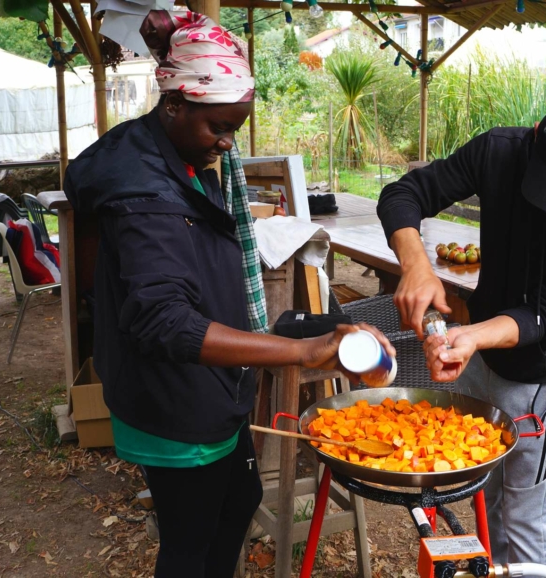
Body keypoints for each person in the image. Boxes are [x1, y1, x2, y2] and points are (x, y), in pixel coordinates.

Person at [63, 11, 393, 578]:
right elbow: (165, 323)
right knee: (191, 541)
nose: (226, 142)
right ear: (174, 104)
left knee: (239, 501)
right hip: (174, 398)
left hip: (210, 383)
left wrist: (318, 331)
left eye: (234, 127)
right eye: (218, 126)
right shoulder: (147, 194)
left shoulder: (177, 155)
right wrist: (298, 351)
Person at [376, 93, 546, 565]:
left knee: (524, 512)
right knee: (487, 493)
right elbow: (404, 194)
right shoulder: (497, 151)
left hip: (540, 378)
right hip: (482, 357)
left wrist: (473, 336)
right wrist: (415, 265)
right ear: (536, 133)